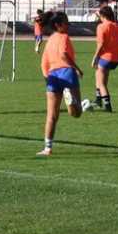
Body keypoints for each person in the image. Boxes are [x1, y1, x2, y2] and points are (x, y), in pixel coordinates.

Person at [37, 11, 84, 156]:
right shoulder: (64, 37)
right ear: (58, 25)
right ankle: (70, 99)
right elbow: (64, 54)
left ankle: (47, 148)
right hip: (67, 73)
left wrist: (48, 79)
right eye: (66, 23)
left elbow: (43, 64)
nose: (68, 25)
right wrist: (77, 69)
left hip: (53, 76)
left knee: (51, 115)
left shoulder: (50, 40)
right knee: (76, 113)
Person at [89, 6, 118, 112]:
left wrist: (95, 57)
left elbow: (101, 43)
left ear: (103, 16)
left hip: (105, 58)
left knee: (101, 83)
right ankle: (98, 99)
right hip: (116, 59)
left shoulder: (101, 27)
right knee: (99, 75)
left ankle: (107, 106)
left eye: (99, 16)